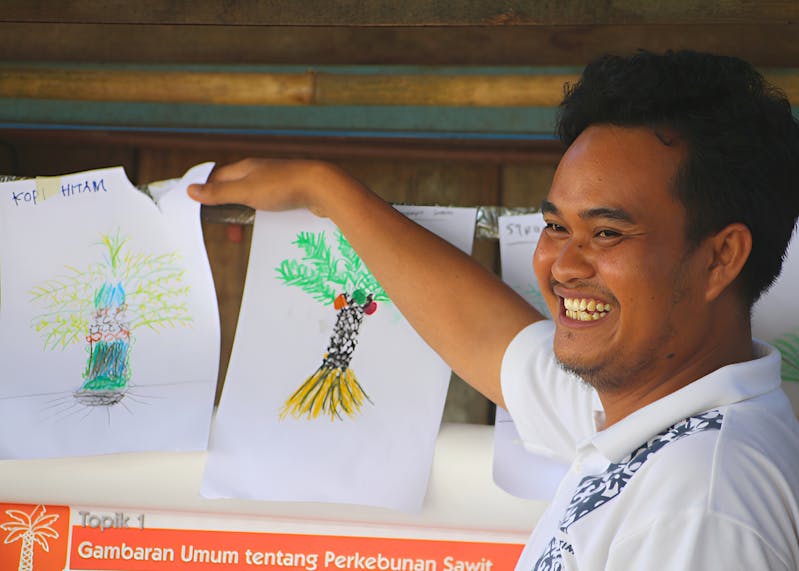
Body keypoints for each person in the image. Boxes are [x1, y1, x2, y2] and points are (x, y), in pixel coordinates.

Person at [188, 50, 799, 569]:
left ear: (720, 259)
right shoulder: (647, 417)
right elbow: (489, 339)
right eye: (556, 225)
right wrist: (325, 192)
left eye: (607, 234)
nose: (562, 265)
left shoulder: (703, 503)